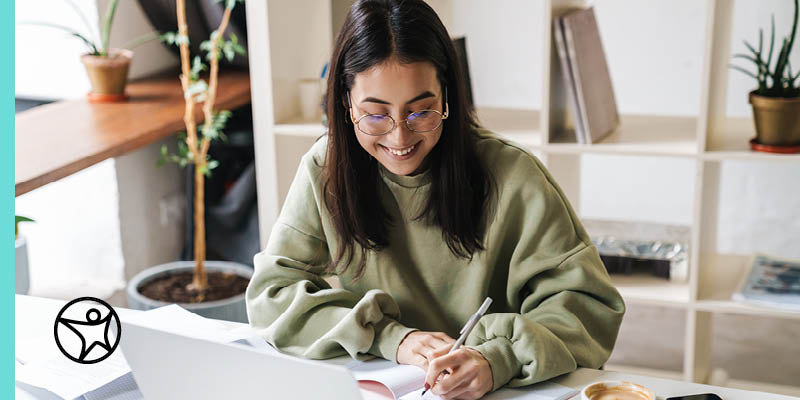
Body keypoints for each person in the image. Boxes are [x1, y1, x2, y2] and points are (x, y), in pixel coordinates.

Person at [245, 0, 625, 398]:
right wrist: (393, 339)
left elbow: (588, 308)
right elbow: (271, 295)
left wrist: (498, 358)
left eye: (420, 112)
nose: (399, 138)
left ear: (447, 97)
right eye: (375, 115)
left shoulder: (514, 176)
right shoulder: (325, 169)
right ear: (346, 106)